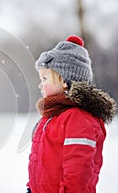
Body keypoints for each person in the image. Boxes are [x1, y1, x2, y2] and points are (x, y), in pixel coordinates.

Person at [26, 35, 116, 193]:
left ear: (64, 81)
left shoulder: (77, 119)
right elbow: (38, 161)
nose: (40, 85)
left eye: (45, 78)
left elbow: (78, 171)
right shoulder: (51, 117)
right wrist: (31, 188)